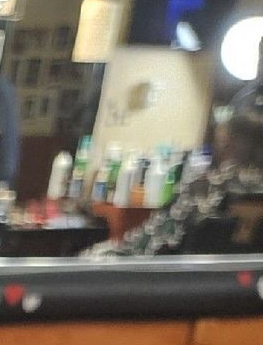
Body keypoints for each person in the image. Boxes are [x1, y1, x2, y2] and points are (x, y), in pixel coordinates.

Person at [91, 88, 263, 257]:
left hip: (167, 272)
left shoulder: (204, 187)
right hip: (236, 273)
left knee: (97, 254)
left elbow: (152, 241)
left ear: (227, 143)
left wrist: (106, 253)